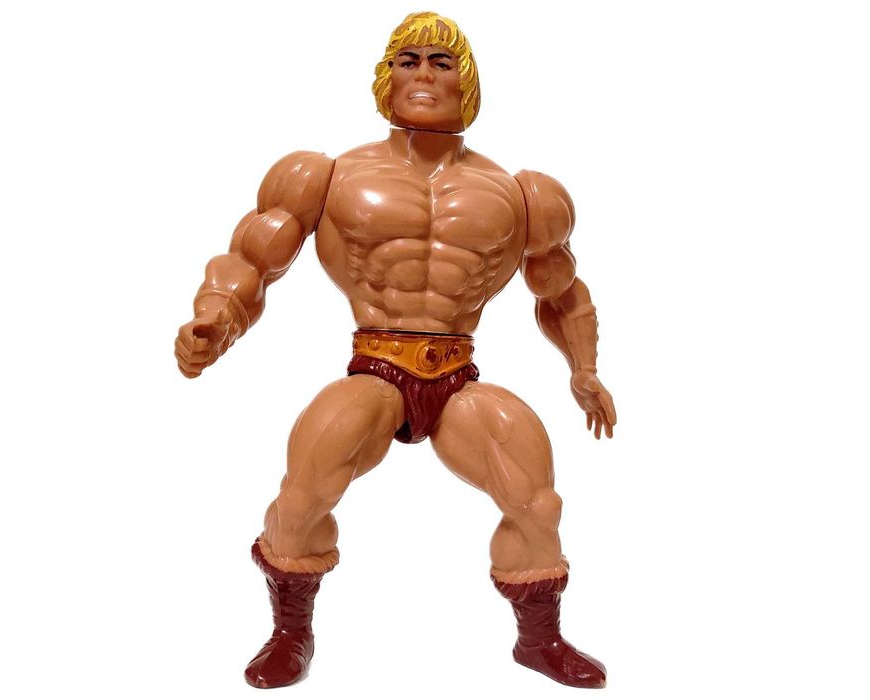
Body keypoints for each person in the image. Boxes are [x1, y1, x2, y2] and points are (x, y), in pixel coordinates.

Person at [175, 11, 617, 690]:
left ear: (468, 82)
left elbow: (561, 292)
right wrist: (214, 322)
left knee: (538, 504)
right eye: (408, 60)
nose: (423, 74)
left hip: (458, 373)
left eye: (442, 62)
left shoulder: (523, 194)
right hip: (376, 366)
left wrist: (583, 370)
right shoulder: (323, 175)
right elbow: (250, 261)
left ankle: (540, 639)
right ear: (385, 77)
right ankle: (291, 633)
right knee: (301, 497)